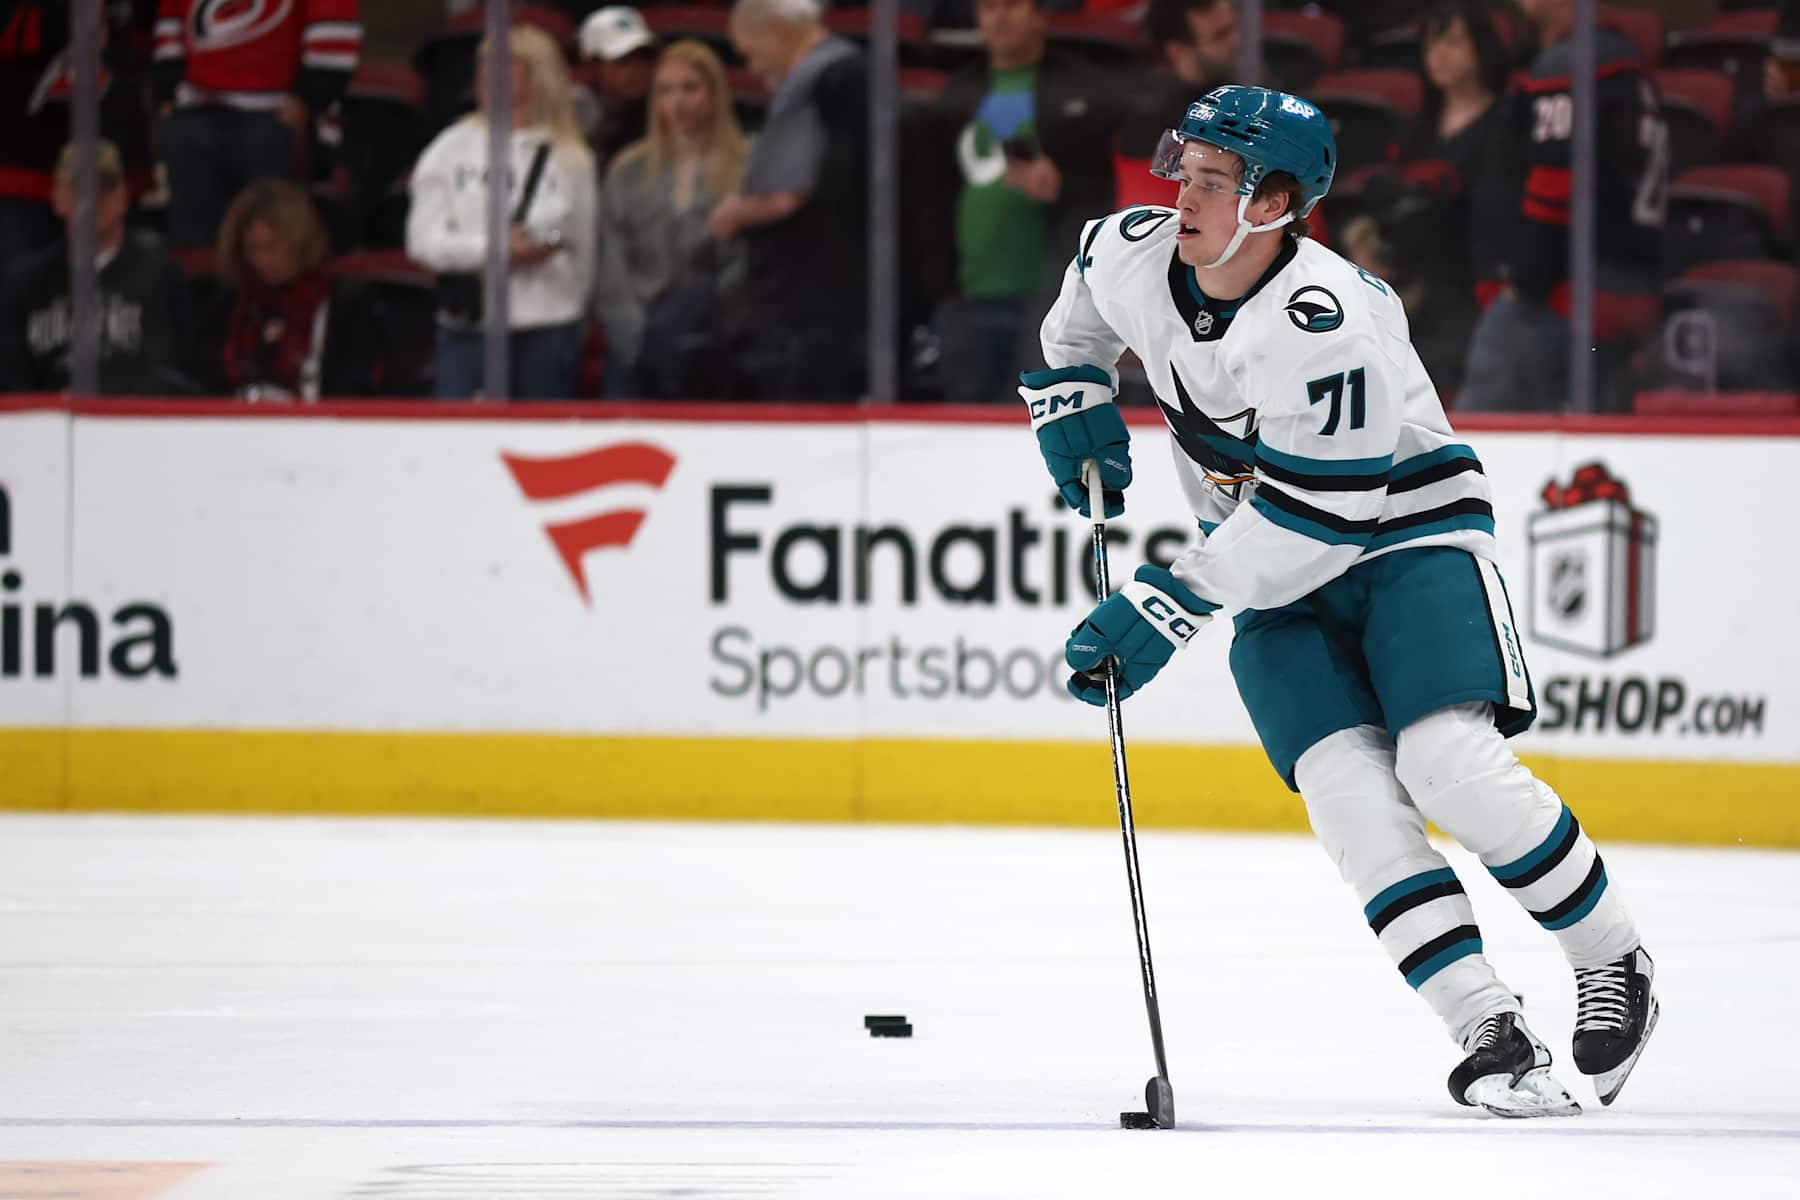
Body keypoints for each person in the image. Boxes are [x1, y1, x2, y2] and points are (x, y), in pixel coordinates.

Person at [1020, 85, 1659, 1114]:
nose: (1181, 195)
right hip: (1266, 556)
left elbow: (1325, 521)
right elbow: (1081, 309)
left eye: (1213, 182)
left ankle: (1612, 959)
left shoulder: (1327, 321)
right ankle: (1487, 1029)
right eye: (1182, 169)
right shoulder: (1136, 249)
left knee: (1447, 765)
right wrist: (1074, 396)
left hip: (1404, 536)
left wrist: (1168, 603)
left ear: (1274, 204)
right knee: (1349, 798)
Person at [1457, 0, 1667, 412]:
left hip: (1569, 292)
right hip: (1630, 287)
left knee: (1474, 443)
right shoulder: (1626, 61)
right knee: (1597, 445)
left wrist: (1523, 283)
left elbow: (1555, 186)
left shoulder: (1570, 61)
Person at [921, 0, 1118, 405]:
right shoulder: (959, 92)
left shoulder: (1084, 87)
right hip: (969, 296)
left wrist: (1061, 188)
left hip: (1050, 300)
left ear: (1040, 13)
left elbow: (1106, 192)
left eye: (1012, 5)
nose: (1001, 17)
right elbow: (933, 194)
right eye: (989, 7)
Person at [405, 25, 598, 401]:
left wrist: (545, 242)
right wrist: (494, 250)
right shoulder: (449, 148)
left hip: (546, 328)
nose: (485, 73)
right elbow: (422, 241)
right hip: (468, 331)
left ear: (537, 74)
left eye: (504, 64)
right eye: (483, 64)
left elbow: (578, 239)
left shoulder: (571, 157)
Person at [709, 0, 868, 401]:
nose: (752, 66)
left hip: (812, 304)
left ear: (774, 29)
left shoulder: (825, 80)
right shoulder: (845, 76)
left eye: (749, 51)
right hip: (821, 298)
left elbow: (790, 193)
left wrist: (736, 212)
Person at [594, 40, 747, 400]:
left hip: (719, 344)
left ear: (714, 93)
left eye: (689, 88)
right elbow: (610, 261)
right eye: (665, 91)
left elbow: (748, 261)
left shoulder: (746, 165)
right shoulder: (628, 169)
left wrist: (717, 327)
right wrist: (637, 338)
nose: (676, 102)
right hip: (636, 344)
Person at [153, 0, 363, 248]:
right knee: (191, 234)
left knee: (269, 231)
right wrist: (167, 93)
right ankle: (197, 284)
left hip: (271, 115)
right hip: (195, 110)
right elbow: (170, 26)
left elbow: (335, 31)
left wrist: (309, 99)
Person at [0, 140, 191, 395]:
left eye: (104, 188)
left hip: (137, 424)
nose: (91, 200)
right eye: (78, 189)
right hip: (49, 425)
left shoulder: (161, 274)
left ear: (123, 196)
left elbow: (179, 373)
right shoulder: (26, 283)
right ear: (57, 197)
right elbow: (13, 380)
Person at [212, 179, 381, 401]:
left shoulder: (343, 301)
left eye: (272, 245)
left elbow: (356, 388)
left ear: (300, 240)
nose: (263, 260)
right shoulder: (234, 304)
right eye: (253, 249)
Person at [1117, 0, 1242, 161]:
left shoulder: (1252, 91)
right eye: (1220, 35)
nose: (1236, 42)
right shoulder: (1153, 129)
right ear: (1178, 51)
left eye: (1234, 28)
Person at [575, 5, 657, 172]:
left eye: (644, 59)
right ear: (593, 65)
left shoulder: (662, 110)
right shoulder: (576, 116)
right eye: (623, 61)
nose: (637, 70)